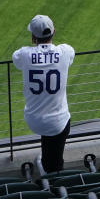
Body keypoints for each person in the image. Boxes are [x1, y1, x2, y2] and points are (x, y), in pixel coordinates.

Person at [12, 15, 75, 173]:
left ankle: (48, 161)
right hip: (58, 123)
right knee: (54, 164)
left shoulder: (24, 54)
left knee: (49, 140)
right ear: (54, 32)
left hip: (33, 119)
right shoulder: (65, 51)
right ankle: (53, 173)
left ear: (33, 38)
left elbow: (16, 58)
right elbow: (70, 55)